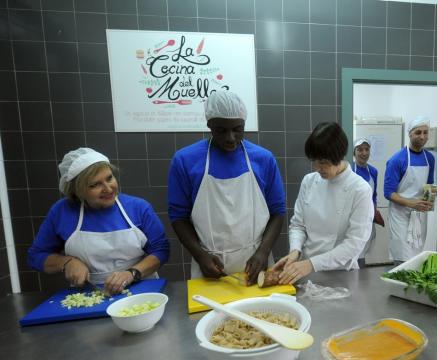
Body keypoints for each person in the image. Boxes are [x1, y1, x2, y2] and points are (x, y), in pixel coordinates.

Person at [168, 90, 286, 283]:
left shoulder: (263, 159)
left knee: (262, 313)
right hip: (209, 263)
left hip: (255, 261)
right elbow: (178, 216)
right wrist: (200, 256)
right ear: (209, 125)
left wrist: (263, 252)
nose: (231, 137)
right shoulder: (185, 160)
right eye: (221, 130)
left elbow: (278, 211)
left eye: (237, 129)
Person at [27, 148, 170, 296]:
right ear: (77, 190)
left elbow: (161, 250)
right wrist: (66, 262)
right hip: (89, 294)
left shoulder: (138, 208)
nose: (108, 189)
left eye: (109, 178)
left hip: (141, 287)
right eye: (95, 185)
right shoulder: (62, 212)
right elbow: (36, 256)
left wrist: (132, 273)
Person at [273, 122, 374, 284]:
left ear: (339, 155)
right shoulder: (309, 181)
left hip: (340, 275)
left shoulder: (360, 189)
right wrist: (295, 251)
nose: (318, 167)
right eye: (315, 161)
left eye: (324, 162)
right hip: (304, 271)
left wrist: (311, 264)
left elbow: (354, 243)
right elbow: (298, 225)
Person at [384, 116, 435, 265]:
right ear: (410, 134)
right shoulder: (397, 160)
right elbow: (388, 193)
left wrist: (429, 200)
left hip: (419, 216)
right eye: (418, 132)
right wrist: (411, 203)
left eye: (425, 132)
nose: (422, 136)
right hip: (400, 216)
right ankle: (400, 288)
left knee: (416, 257)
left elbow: (429, 185)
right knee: (402, 258)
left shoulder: (430, 159)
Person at [351, 137, 385, 266]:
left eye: (367, 149)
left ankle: (360, 275)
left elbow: (374, 194)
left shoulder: (373, 171)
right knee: (352, 249)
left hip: (368, 217)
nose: (364, 153)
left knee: (364, 249)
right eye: (360, 150)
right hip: (352, 217)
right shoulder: (349, 170)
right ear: (354, 152)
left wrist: (374, 211)